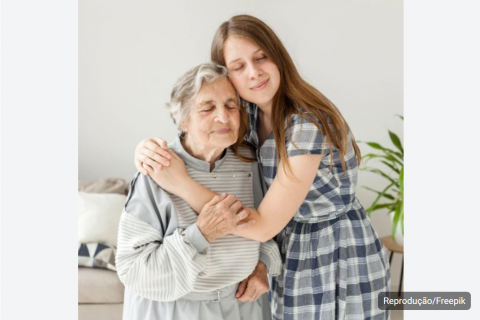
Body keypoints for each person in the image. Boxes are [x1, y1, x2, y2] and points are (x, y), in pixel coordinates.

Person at [134, 15, 391, 320]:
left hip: (336, 250)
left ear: (278, 56)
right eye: (239, 67)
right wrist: (146, 149)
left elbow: (264, 224)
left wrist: (180, 183)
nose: (254, 72)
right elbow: (196, 133)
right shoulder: (250, 119)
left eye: (261, 57)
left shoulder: (305, 126)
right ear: (227, 77)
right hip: (290, 248)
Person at [116, 62, 282, 320]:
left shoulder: (251, 161)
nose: (224, 117)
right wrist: (201, 234)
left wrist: (262, 265)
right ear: (182, 120)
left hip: (240, 306)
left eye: (230, 105)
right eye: (207, 108)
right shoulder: (156, 169)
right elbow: (133, 270)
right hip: (172, 310)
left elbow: (268, 230)